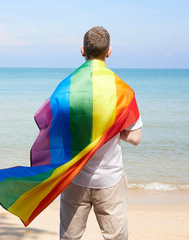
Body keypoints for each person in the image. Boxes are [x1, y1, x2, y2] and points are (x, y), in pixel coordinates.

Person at [59, 26, 142, 240]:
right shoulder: (122, 90)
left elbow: (55, 130)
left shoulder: (67, 88)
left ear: (82, 50)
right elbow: (135, 137)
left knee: (69, 237)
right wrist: (113, 130)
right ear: (109, 52)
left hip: (74, 176)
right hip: (109, 179)